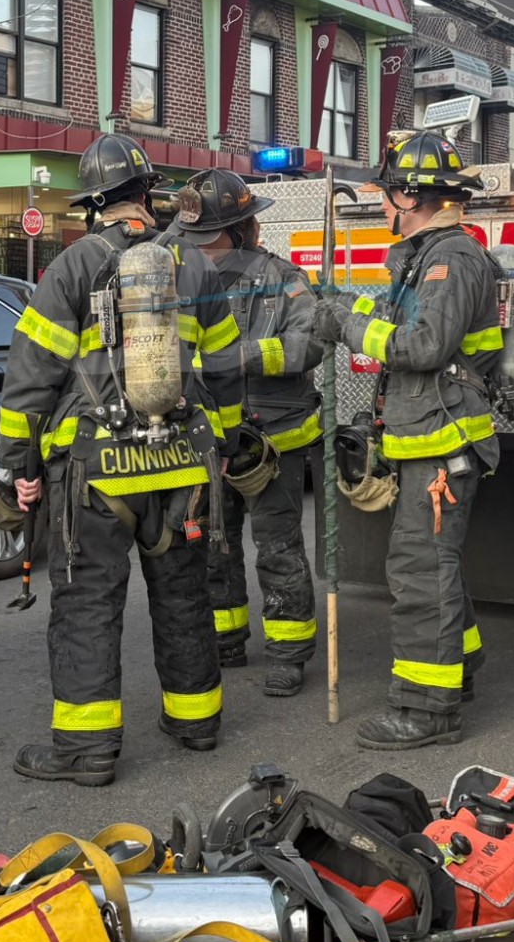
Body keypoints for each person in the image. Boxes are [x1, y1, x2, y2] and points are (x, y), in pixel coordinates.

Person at [0, 133, 241, 787]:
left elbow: (31, 377)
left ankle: (86, 751)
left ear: (94, 203)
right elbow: (225, 370)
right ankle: (197, 722)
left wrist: (17, 464)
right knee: (185, 594)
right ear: (148, 195)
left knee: (87, 604)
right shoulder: (195, 268)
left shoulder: (72, 267)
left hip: (97, 473)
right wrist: (228, 447)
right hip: (185, 466)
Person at [310, 130, 496, 750]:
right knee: (435, 567)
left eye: (388, 194)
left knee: (421, 571)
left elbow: (423, 347)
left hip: (442, 444)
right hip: (429, 437)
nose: (383, 206)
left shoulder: (451, 259)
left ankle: (427, 708)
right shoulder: (426, 258)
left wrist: (349, 326)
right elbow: (406, 331)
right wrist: (351, 311)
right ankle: (459, 670)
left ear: (409, 196)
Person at [183, 168, 322, 698]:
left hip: (272, 438)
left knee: (277, 546)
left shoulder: (283, 278)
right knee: (213, 544)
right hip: (209, 435)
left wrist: (237, 359)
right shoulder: (185, 281)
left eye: (206, 236)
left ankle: (288, 653)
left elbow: (309, 344)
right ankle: (227, 638)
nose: (198, 247)